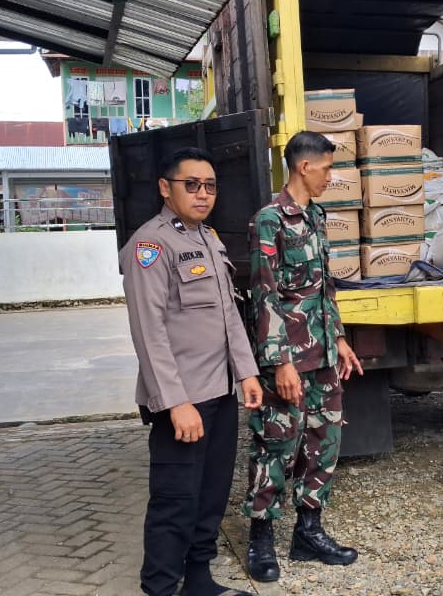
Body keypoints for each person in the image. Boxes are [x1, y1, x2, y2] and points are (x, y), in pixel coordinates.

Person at [120, 147, 263, 596]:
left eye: (210, 186)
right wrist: (176, 403)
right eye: (192, 185)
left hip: (219, 392)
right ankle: (161, 586)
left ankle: (199, 579)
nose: (203, 194)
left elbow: (228, 316)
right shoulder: (150, 245)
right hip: (182, 398)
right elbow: (149, 331)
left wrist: (247, 373)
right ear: (166, 188)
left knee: (211, 494)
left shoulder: (209, 239)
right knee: (175, 499)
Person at [242, 131, 364, 583]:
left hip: (324, 353)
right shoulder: (269, 221)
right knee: (276, 443)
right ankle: (261, 539)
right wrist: (280, 363)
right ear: (304, 167)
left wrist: (341, 339)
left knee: (323, 441)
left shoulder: (316, 215)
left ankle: (308, 533)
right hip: (289, 358)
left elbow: (323, 287)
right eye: (328, 168)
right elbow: (264, 295)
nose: (332, 177)